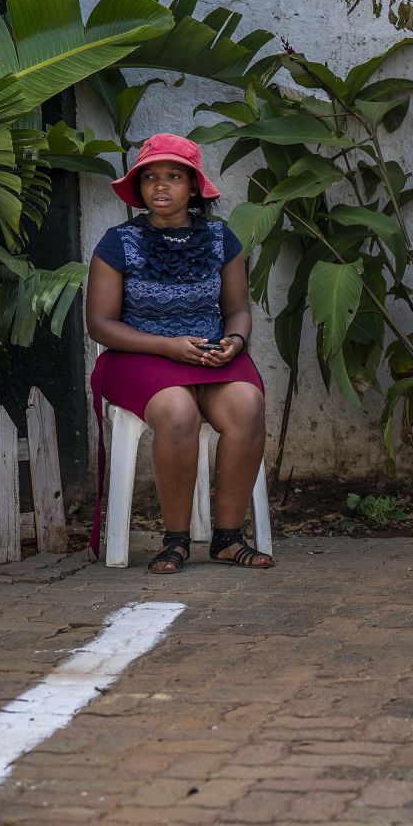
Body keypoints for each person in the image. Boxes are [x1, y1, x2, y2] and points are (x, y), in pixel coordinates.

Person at [86, 134, 273, 573]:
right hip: (138, 354)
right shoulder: (118, 243)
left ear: (193, 186)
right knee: (176, 411)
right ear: (139, 188)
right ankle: (175, 541)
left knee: (247, 404)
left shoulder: (219, 238)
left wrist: (235, 342)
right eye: (150, 178)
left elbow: (237, 309)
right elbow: (101, 325)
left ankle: (228, 538)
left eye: (173, 176)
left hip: (209, 353)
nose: (161, 186)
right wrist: (167, 346)